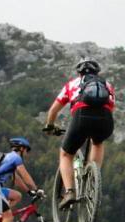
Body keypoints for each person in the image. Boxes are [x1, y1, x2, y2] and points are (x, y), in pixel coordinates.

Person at [43, 58, 115, 209]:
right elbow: (111, 106)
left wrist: (50, 125)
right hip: (105, 119)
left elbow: (54, 110)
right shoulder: (107, 85)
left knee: (66, 154)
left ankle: (69, 192)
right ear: (97, 72)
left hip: (81, 117)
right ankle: (93, 178)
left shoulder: (72, 85)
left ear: (79, 72)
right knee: (98, 141)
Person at [0, 137, 43, 222]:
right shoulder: (16, 158)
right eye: (27, 150)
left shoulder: (8, 157)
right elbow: (25, 175)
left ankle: (2, 216)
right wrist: (36, 189)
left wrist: (29, 191)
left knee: (17, 196)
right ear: (21, 148)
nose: (27, 153)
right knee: (9, 216)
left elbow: (17, 180)